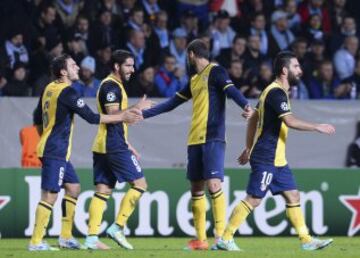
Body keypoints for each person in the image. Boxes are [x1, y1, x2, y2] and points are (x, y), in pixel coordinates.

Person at [216, 51, 335, 251]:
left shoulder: (273, 91)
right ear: (284, 70)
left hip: (277, 158)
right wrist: (316, 126)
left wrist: (248, 147)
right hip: (266, 156)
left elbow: (254, 117)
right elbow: (289, 120)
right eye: (296, 67)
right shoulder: (276, 92)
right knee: (254, 199)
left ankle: (306, 241)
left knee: (293, 196)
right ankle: (225, 239)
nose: (300, 70)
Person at [142, 39, 253, 250]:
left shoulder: (217, 71)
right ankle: (201, 240)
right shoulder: (194, 80)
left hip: (213, 138)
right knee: (196, 188)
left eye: (187, 55)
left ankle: (221, 238)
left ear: (191, 54)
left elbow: (232, 91)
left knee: (214, 184)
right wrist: (143, 114)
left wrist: (246, 106)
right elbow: (171, 104)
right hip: (194, 140)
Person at [29, 54, 145, 251]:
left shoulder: (49, 88)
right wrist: (123, 116)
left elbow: (36, 116)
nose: (77, 68)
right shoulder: (69, 92)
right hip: (54, 151)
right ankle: (36, 241)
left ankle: (66, 237)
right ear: (63, 72)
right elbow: (92, 117)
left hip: (55, 150)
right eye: (73, 66)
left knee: (73, 188)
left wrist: (45, 136)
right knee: (50, 195)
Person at [84, 50, 154, 250]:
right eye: (128, 65)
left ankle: (91, 238)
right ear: (117, 66)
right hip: (113, 145)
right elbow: (114, 115)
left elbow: (115, 122)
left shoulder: (113, 85)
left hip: (105, 144)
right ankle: (117, 227)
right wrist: (137, 107)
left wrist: (129, 144)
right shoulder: (110, 86)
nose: (132, 69)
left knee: (103, 191)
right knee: (140, 184)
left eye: (133, 65)